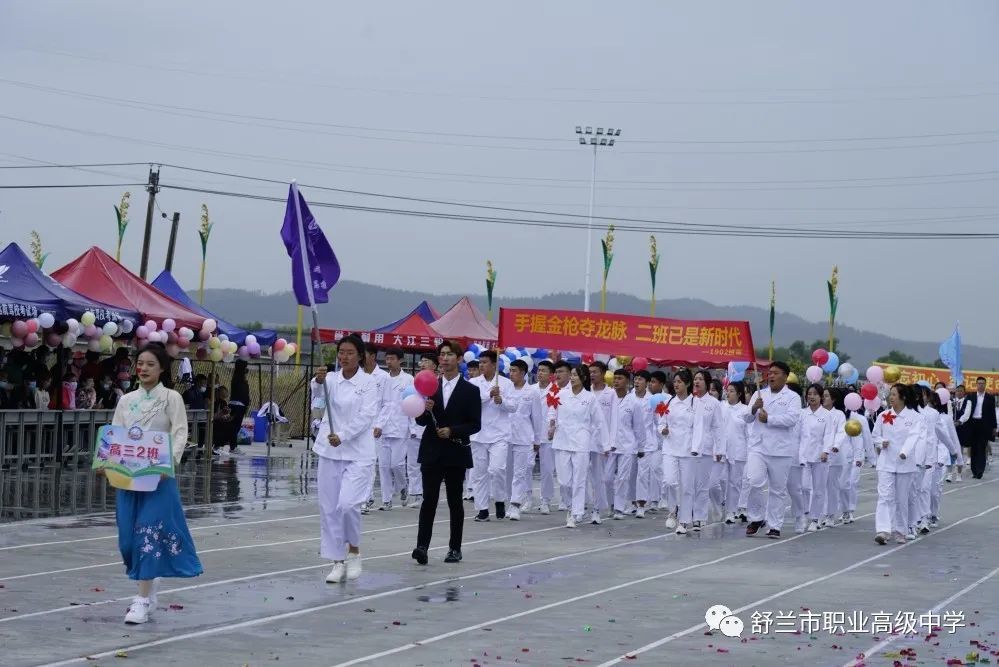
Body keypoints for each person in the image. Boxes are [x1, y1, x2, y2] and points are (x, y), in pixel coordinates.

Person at [104, 342, 202, 624]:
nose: (143, 368)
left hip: (157, 479)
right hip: (128, 477)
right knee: (127, 541)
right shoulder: (126, 400)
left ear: (162, 369)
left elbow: (180, 433)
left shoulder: (171, 398)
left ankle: (142, 599)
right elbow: (116, 435)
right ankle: (149, 583)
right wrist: (106, 462)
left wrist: (167, 464)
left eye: (150, 364)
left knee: (147, 533)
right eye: (140, 363)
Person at [313, 335, 379, 583]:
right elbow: (317, 398)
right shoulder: (330, 379)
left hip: (358, 453)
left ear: (360, 356)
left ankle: (354, 551)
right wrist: (318, 381)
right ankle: (337, 561)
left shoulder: (369, 383)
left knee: (348, 505)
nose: (344, 357)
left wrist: (342, 435)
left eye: (350, 352)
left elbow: (366, 416)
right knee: (329, 508)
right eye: (341, 352)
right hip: (329, 452)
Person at [411, 340, 482, 565]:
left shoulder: (471, 390)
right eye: (442, 354)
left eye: (450, 354)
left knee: (454, 502)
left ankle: (454, 548)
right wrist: (425, 410)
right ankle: (422, 546)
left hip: (454, 451)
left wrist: (452, 430)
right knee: (428, 500)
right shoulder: (429, 387)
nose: (445, 358)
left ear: (459, 359)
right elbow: (420, 420)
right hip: (432, 450)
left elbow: (475, 424)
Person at [744, 361, 802, 539]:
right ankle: (756, 518)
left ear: (785, 376)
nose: (771, 376)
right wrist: (753, 408)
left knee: (777, 489)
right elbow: (746, 418)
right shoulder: (759, 394)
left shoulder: (792, 397)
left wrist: (769, 418)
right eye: (770, 373)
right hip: (759, 447)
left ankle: (774, 525)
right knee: (754, 481)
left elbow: (791, 420)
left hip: (780, 450)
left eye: (776, 373)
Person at [549, 364, 609, 528]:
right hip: (562, 441)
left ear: (582, 378)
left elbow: (600, 422)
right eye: (572, 375)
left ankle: (575, 513)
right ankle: (570, 505)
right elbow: (552, 411)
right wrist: (551, 424)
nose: (572, 377)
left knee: (579, 480)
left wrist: (605, 444)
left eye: (575, 375)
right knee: (564, 481)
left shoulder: (589, 398)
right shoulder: (561, 394)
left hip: (582, 442)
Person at [872, 383, 925, 545]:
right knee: (884, 496)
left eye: (894, 394)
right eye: (890, 394)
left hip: (905, 464)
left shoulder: (915, 417)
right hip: (886, 463)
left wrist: (904, 452)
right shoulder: (884, 415)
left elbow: (914, 437)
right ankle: (883, 530)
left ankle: (900, 530)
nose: (891, 397)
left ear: (903, 397)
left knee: (901, 499)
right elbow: (875, 436)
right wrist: (881, 442)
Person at [469, 350, 516, 521]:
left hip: (499, 434)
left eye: (485, 362)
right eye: (479, 362)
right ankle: (482, 509)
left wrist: (501, 400)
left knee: (497, 470)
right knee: (479, 473)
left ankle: (499, 499)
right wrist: (488, 395)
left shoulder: (506, 383)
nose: (481, 365)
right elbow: (470, 403)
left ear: (494, 364)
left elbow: (513, 406)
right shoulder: (473, 382)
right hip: (478, 434)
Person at [375, 347, 414, 510]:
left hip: (401, 426)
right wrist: (377, 425)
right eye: (387, 359)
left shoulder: (409, 379)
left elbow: (412, 404)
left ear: (400, 361)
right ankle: (386, 499)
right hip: (383, 427)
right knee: (383, 466)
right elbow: (380, 404)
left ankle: (403, 487)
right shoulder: (383, 379)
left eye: (392, 359)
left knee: (396, 464)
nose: (389, 362)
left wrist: (413, 428)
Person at [506, 359, 543, 520]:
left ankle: (515, 505)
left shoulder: (532, 392)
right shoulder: (505, 389)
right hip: (505, 437)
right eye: (510, 370)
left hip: (523, 438)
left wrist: (537, 440)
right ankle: (508, 501)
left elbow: (537, 417)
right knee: (505, 472)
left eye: (514, 370)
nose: (511, 373)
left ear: (523, 373)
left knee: (519, 473)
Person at [608, 369, 646, 520]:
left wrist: (641, 447)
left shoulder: (634, 403)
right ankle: (611, 503)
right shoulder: (608, 398)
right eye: (615, 378)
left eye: (620, 378)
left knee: (622, 478)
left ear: (627, 382)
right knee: (606, 477)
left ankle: (619, 508)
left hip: (627, 445)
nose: (616, 381)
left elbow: (639, 427)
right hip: (610, 444)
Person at [407, 353, 438, 509]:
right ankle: (416, 494)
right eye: (422, 361)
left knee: (429, 466)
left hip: (431, 432)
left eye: (427, 361)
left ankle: (428, 493)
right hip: (414, 428)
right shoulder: (414, 383)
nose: (423, 364)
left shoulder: (439, 384)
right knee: (413, 465)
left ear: (434, 366)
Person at [721, 381, 751, 524]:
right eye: (728, 390)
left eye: (732, 391)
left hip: (739, 451)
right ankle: (721, 505)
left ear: (739, 394)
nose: (728, 393)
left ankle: (731, 511)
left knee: (734, 483)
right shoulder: (721, 407)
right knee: (719, 480)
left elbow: (749, 434)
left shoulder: (745, 410)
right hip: (722, 451)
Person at [533, 360, 558, 514]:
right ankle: (526, 498)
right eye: (539, 370)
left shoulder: (555, 390)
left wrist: (551, 428)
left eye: (543, 370)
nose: (540, 373)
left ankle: (545, 500)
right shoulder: (531, 389)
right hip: (530, 435)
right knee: (525, 467)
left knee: (547, 470)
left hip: (547, 435)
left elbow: (553, 411)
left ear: (551, 374)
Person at [966, 377, 997, 479]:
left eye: (983, 383)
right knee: (973, 448)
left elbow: (993, 414)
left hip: (984, 425)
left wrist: (994, 427)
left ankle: (980, 471)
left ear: (985, 385)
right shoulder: (970, 396)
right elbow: (966, 411)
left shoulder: (990, 398)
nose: (981, 385)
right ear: (976, 384)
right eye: (979, 383)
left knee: (982, 448)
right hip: (973, 424)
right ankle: (974, 470)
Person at [227, 360, 250, 456]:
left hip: (240, 405)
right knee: (234, 427)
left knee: (236, 427)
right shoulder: (238, 379)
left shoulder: (240, 379)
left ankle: (233, 446)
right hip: (237, 405)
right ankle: (233, 447)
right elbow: (242, 393)